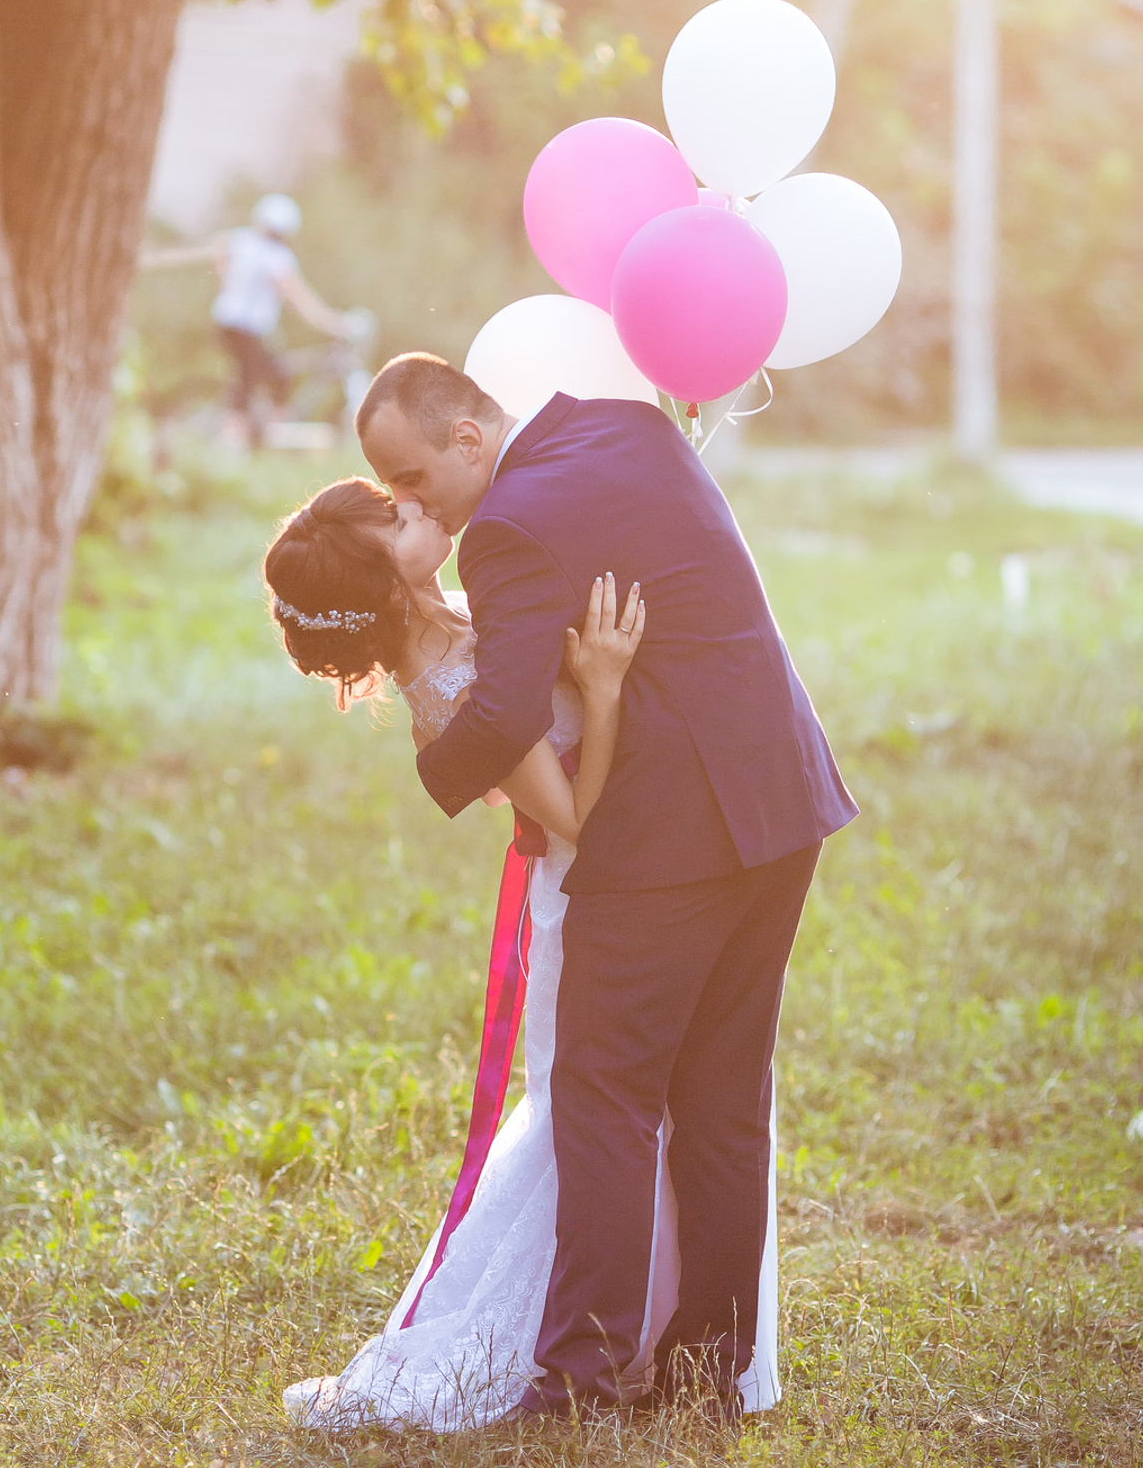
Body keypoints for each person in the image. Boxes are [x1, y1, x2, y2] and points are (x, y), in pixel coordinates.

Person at [348, 353, 854, 1426]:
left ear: (470, 439)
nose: (409, 501)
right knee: (721, 1098)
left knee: (604, 1096)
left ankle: (579, 1376)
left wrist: (433, 763)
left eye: (412, 477)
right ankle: (704, 1370)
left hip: (674, 837)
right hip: (780, 798)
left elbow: (503, 715)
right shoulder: (627, 424)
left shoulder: (508, 526)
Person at [262, 478, 781, 1429]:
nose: (421, 508)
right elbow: (576, 816)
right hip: (591, 902)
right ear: (386, 579)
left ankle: (668, 1336)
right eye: (400, 515)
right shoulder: (450, 695)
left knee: (675, 1112)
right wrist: (606, 684)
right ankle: (574, 1345)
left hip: (655, 881)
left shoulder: (466, 605)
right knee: (599, 1119)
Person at [142, 194, 364, 449]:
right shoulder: (277, 256)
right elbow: (299, 298)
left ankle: (263, 434)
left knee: (275, 375)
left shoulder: (241, 241)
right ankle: (235, 441)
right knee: (252, 380)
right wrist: (332, 322)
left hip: (227, 322)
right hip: (248, 328)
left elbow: (217, 253)